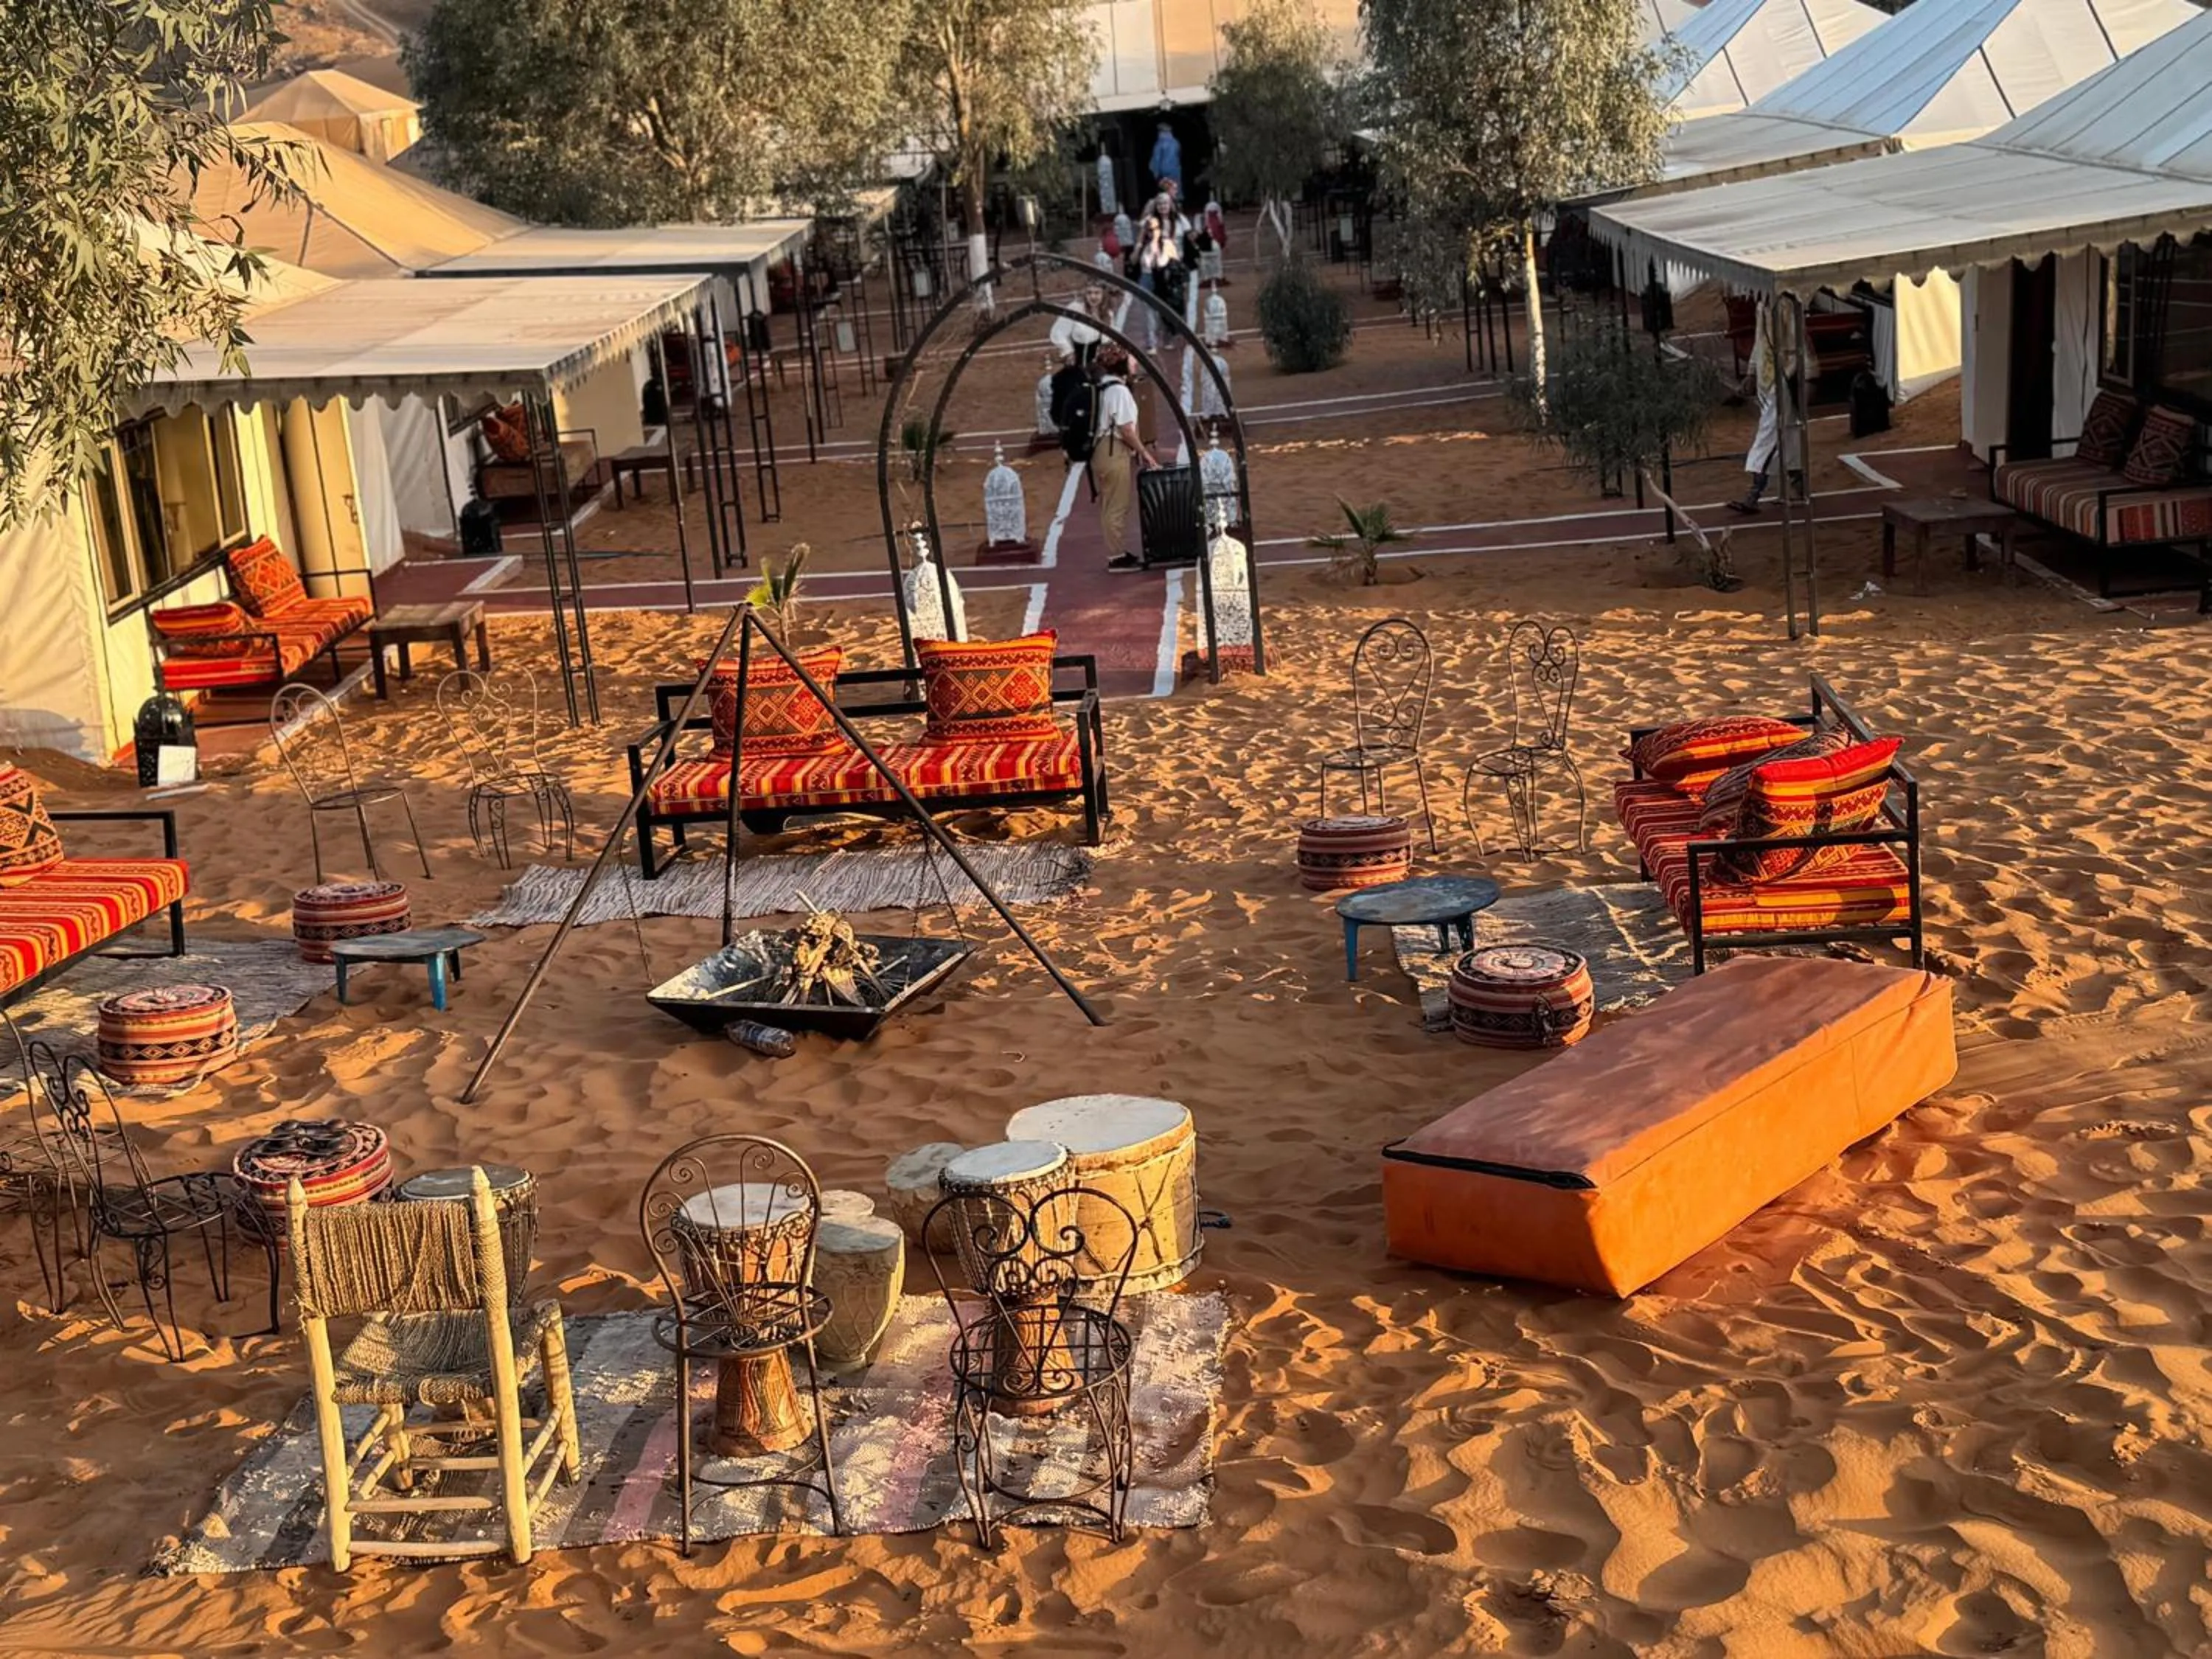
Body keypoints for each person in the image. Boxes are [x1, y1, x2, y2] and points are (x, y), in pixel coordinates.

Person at [1729, 302, 1806, 515]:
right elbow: (1760, 341)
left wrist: (1787, 377)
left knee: (1768, 437)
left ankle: (1754, 494)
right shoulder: (1763, 305)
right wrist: (1752, 372)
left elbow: (1798, 344)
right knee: (1788, 438)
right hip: (1768, 381)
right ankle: (1800, 487)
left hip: (1781, 382)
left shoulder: (1786, 307)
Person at [1090, 346, 1158, 571]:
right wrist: (1144, 453)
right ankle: (1117, 556)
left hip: (1101, 450)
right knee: (1117, 505)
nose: (1135, 364)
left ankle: (1116, 552)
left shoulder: (1102, 387)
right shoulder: (1119, 391)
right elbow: (1126, 430)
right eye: (1131, 360)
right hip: (1113, 450)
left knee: (1110, 504)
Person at [1150, 121, 1182, 194]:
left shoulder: (1159, 144)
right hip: (1176, 173)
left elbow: (1156, 160)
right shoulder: (1176, 143)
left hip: (1163, 174)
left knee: (1165, 193)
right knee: (1175, 191)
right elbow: (1179, 157)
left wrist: (1155, 173)